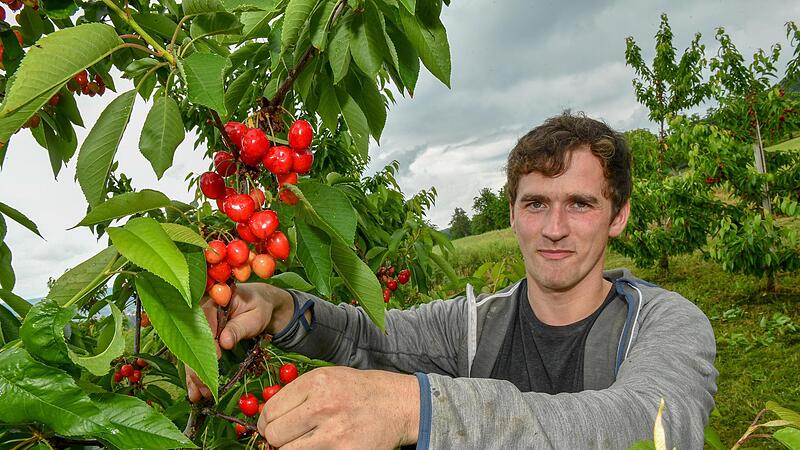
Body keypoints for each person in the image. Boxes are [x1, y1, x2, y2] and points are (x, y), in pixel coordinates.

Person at [187, 112, 718, 449]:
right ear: (512, 213)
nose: (554, 229)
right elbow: (367, 337)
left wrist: (416, 409)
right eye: (536, 203)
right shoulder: (474, 324)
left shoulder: (666, 324)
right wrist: (281, 307)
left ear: (618, 215)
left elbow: (652, 426)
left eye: (580, 204)